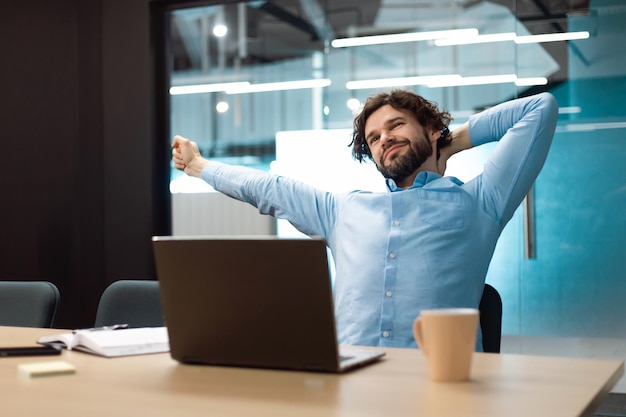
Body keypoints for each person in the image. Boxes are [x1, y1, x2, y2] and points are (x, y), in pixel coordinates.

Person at [172, 90, 558, 351]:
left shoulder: (481, 201)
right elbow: (269, 188)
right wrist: (199, 166)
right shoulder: (344, 210)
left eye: (396, 126)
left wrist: (446, 141)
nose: (384, 139)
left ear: (429, 128)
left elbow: (539, 109)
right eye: (374, 139)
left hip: (440, 387)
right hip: (350, 385)